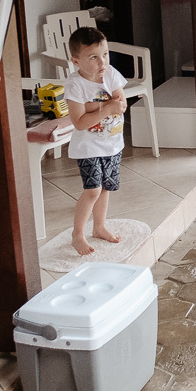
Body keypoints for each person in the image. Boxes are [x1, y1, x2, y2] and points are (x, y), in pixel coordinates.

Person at [62, 26, 127, 256]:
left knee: (106, 188)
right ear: (76, 61)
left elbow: (121, 103)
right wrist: (107, 106)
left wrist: (98, 106)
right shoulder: (75, 85)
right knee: (93, 190)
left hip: (112, 144)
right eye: (94, 57)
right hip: (88, 147)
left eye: (105, 54)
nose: (103, 62)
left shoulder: (110, 74)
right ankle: (77, 234)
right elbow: (79, 121)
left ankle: (99, 227)